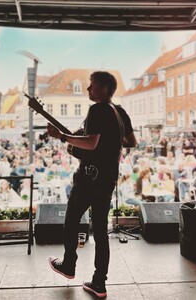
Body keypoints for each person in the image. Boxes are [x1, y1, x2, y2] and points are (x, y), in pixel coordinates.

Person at [46, 71, 137, 298]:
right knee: (100, 232)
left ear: (105, 88)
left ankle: (68, 265)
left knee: (71, 220)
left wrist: (62, 137)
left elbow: (91, 142)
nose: (88, 90)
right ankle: (99, 283)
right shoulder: (119, 112)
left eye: (92, 86)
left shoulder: (97, 109)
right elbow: (130, 141)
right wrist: (110, 143)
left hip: (89, 179)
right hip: (107, 179)